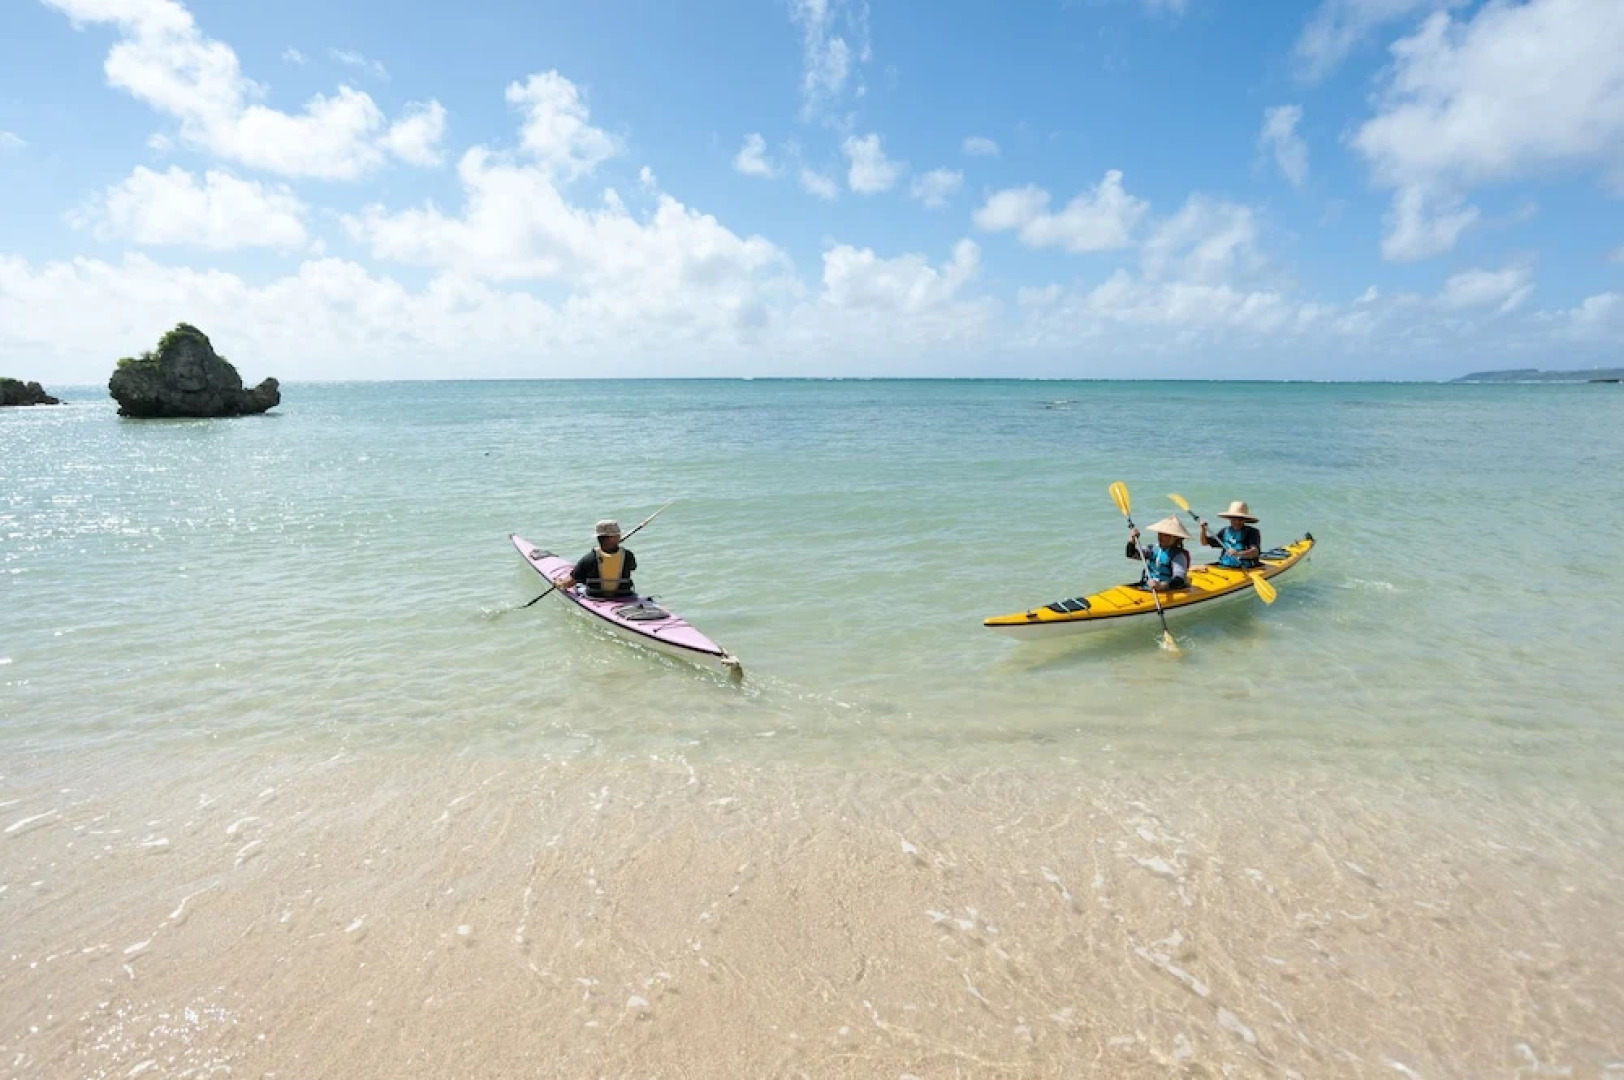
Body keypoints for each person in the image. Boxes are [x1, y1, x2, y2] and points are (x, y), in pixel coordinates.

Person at [552, 519, 638, 598]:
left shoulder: (589, 558)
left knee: (578, 584)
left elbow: (568, 583)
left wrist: (559, 583)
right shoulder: (628, 555)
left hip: (596, 595)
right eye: (618, 534)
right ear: (613, 538)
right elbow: (632, 567)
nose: (620, 536)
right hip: (623, 594)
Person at [1126, 515, 1191, 591]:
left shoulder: (1178, 556)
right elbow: (1131, 554)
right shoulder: (1152, 549)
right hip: (1149, 587)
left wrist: (1160, 586)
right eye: (1160, 533)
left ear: (1175, 537)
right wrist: (1132, 541)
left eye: (1166, 535)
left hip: (1168, 590)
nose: (1160, 537)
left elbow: (1179, 580)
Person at [1200, 500, 1262, 569]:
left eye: (1240, 519)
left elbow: (1255, 552)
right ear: (1229, 519)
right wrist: (1203, 530)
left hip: (1245, 568)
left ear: (1245, 520)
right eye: (1234, 519)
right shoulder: (1225, 531)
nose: (1237, 522)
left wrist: (1238, 554)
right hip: (1224, 567)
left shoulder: (1252, 532)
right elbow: (1204, 543)